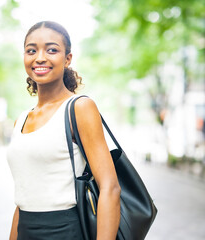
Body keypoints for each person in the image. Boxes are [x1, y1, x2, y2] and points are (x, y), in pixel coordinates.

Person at [7, 21, 120, 240]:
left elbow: (110, 188)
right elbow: (22, 201)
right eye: (31, 50)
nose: (39, 57)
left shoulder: (79, 108)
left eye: (51, 50)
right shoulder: (21, 120)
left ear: (67, 59)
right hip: (25, 231)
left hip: (65, 231)